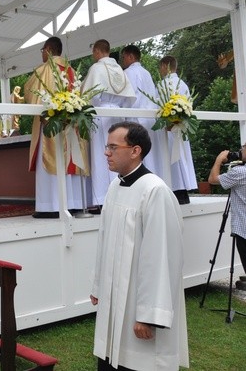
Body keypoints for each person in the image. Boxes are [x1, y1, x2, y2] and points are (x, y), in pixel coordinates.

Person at [90, 121, 188, 371]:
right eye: (106, 146)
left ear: (135, 151)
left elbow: (160, 256)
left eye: (113, 147)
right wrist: (99, 284)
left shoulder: (155, 191)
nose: (106, 153)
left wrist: (148, 315)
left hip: (138, 306)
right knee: (110, 359)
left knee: (138, 362)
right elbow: (104, 239)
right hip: (114, 301)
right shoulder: (114, 186)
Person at [23, 36, 88, 218]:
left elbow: (31, 93)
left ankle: (50, 206)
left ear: (49, 50)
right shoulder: (72, 70)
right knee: (69, 160)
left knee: (50, 161)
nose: (42, 54)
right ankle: (72, 203)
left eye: (43, 50)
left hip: (50, 123)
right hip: (69, 124)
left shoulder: (45, 70)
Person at [81, 39, 136, 208]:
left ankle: (102, 199)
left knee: (102, 155)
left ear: (97, 51)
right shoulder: (119, 69)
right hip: (118, 115)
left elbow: (90, 95)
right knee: (120, 154)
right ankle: (122, 195)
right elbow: (129, 97)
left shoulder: (96, 68)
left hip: (101, 114)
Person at [158, 55, 197, 204]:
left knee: (172, 159)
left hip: (169, 127)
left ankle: (176, 191)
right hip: (181, 127)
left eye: (160, 67)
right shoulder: (184, 84)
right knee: (181, 157)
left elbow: (158, 106)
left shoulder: (163, 84)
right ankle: (184, 190)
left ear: (164, 66)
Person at [208, 144, 246, 290]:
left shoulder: (240, 172)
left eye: (244, 148)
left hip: (243, 228)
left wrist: (218, 161)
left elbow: (212, 179)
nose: (240, 150)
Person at [121, 45, 162, 177]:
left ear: (130, 56)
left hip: (135, 118)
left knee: (137, 156)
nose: (123, 61)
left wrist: (122, 114)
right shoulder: (147, 73)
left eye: (124, 57)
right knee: (151, 156)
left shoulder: (128, 73)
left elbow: (129, 97)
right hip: (150, 119)